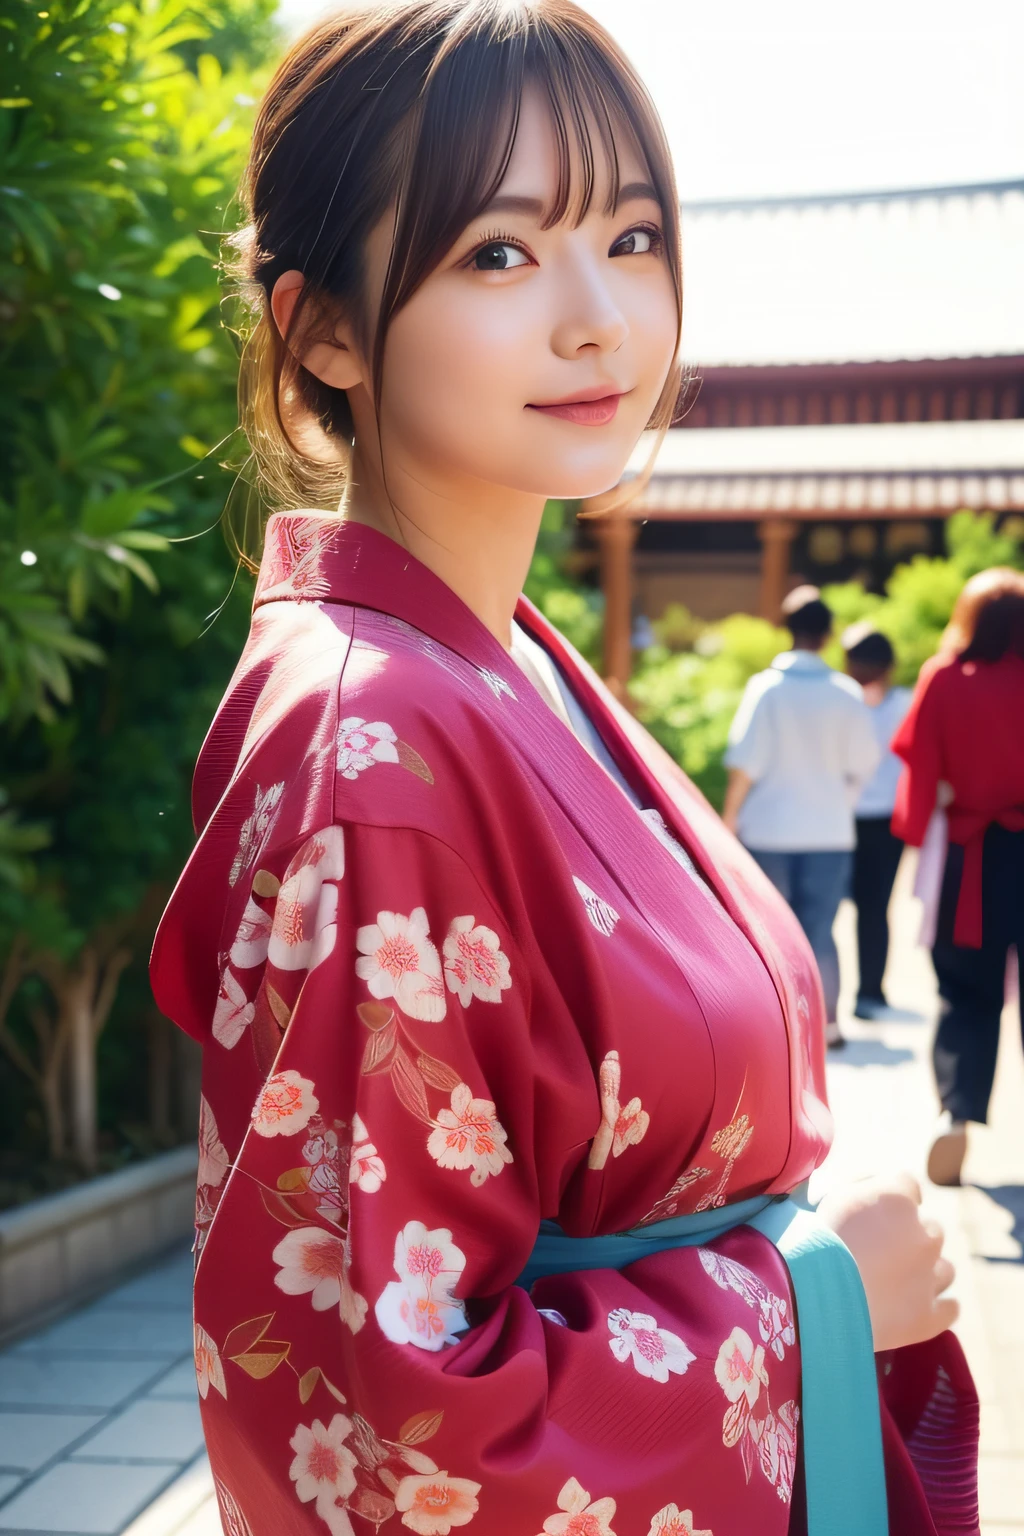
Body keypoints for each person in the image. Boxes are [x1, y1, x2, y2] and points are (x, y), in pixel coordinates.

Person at [150, 6, 976, 1533]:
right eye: (501, 255)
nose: (600, 317)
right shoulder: (368, 742)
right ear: (322, 327)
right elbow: (385, 1424)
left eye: (637, 235)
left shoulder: (502, 662)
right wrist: (814, 1303)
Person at [892, 567, 1024, 1186]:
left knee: (965, 991)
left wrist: (914, 835)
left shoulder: (944, 678)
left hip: (971, 857)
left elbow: (920, 762)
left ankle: (957, 1108)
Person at [723, 588, 880, 1047]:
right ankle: (827, 1025)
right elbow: (864, 763)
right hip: (829, 830)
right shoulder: (846, 692)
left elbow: (745, 763)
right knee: (820, 930)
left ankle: (776, 1024)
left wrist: (729, 820)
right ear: (829, 635)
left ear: (786, 628)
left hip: (769, 828)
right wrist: (840, 802)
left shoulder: (766, 687)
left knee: (770, 930)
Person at [842, 624, 913, 1021]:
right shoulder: (841, 701)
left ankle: (870, 990)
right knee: (857, 910)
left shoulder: (905, 703)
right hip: (843, 816)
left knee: (873, 907)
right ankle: (847, 993)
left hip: (886, 819)